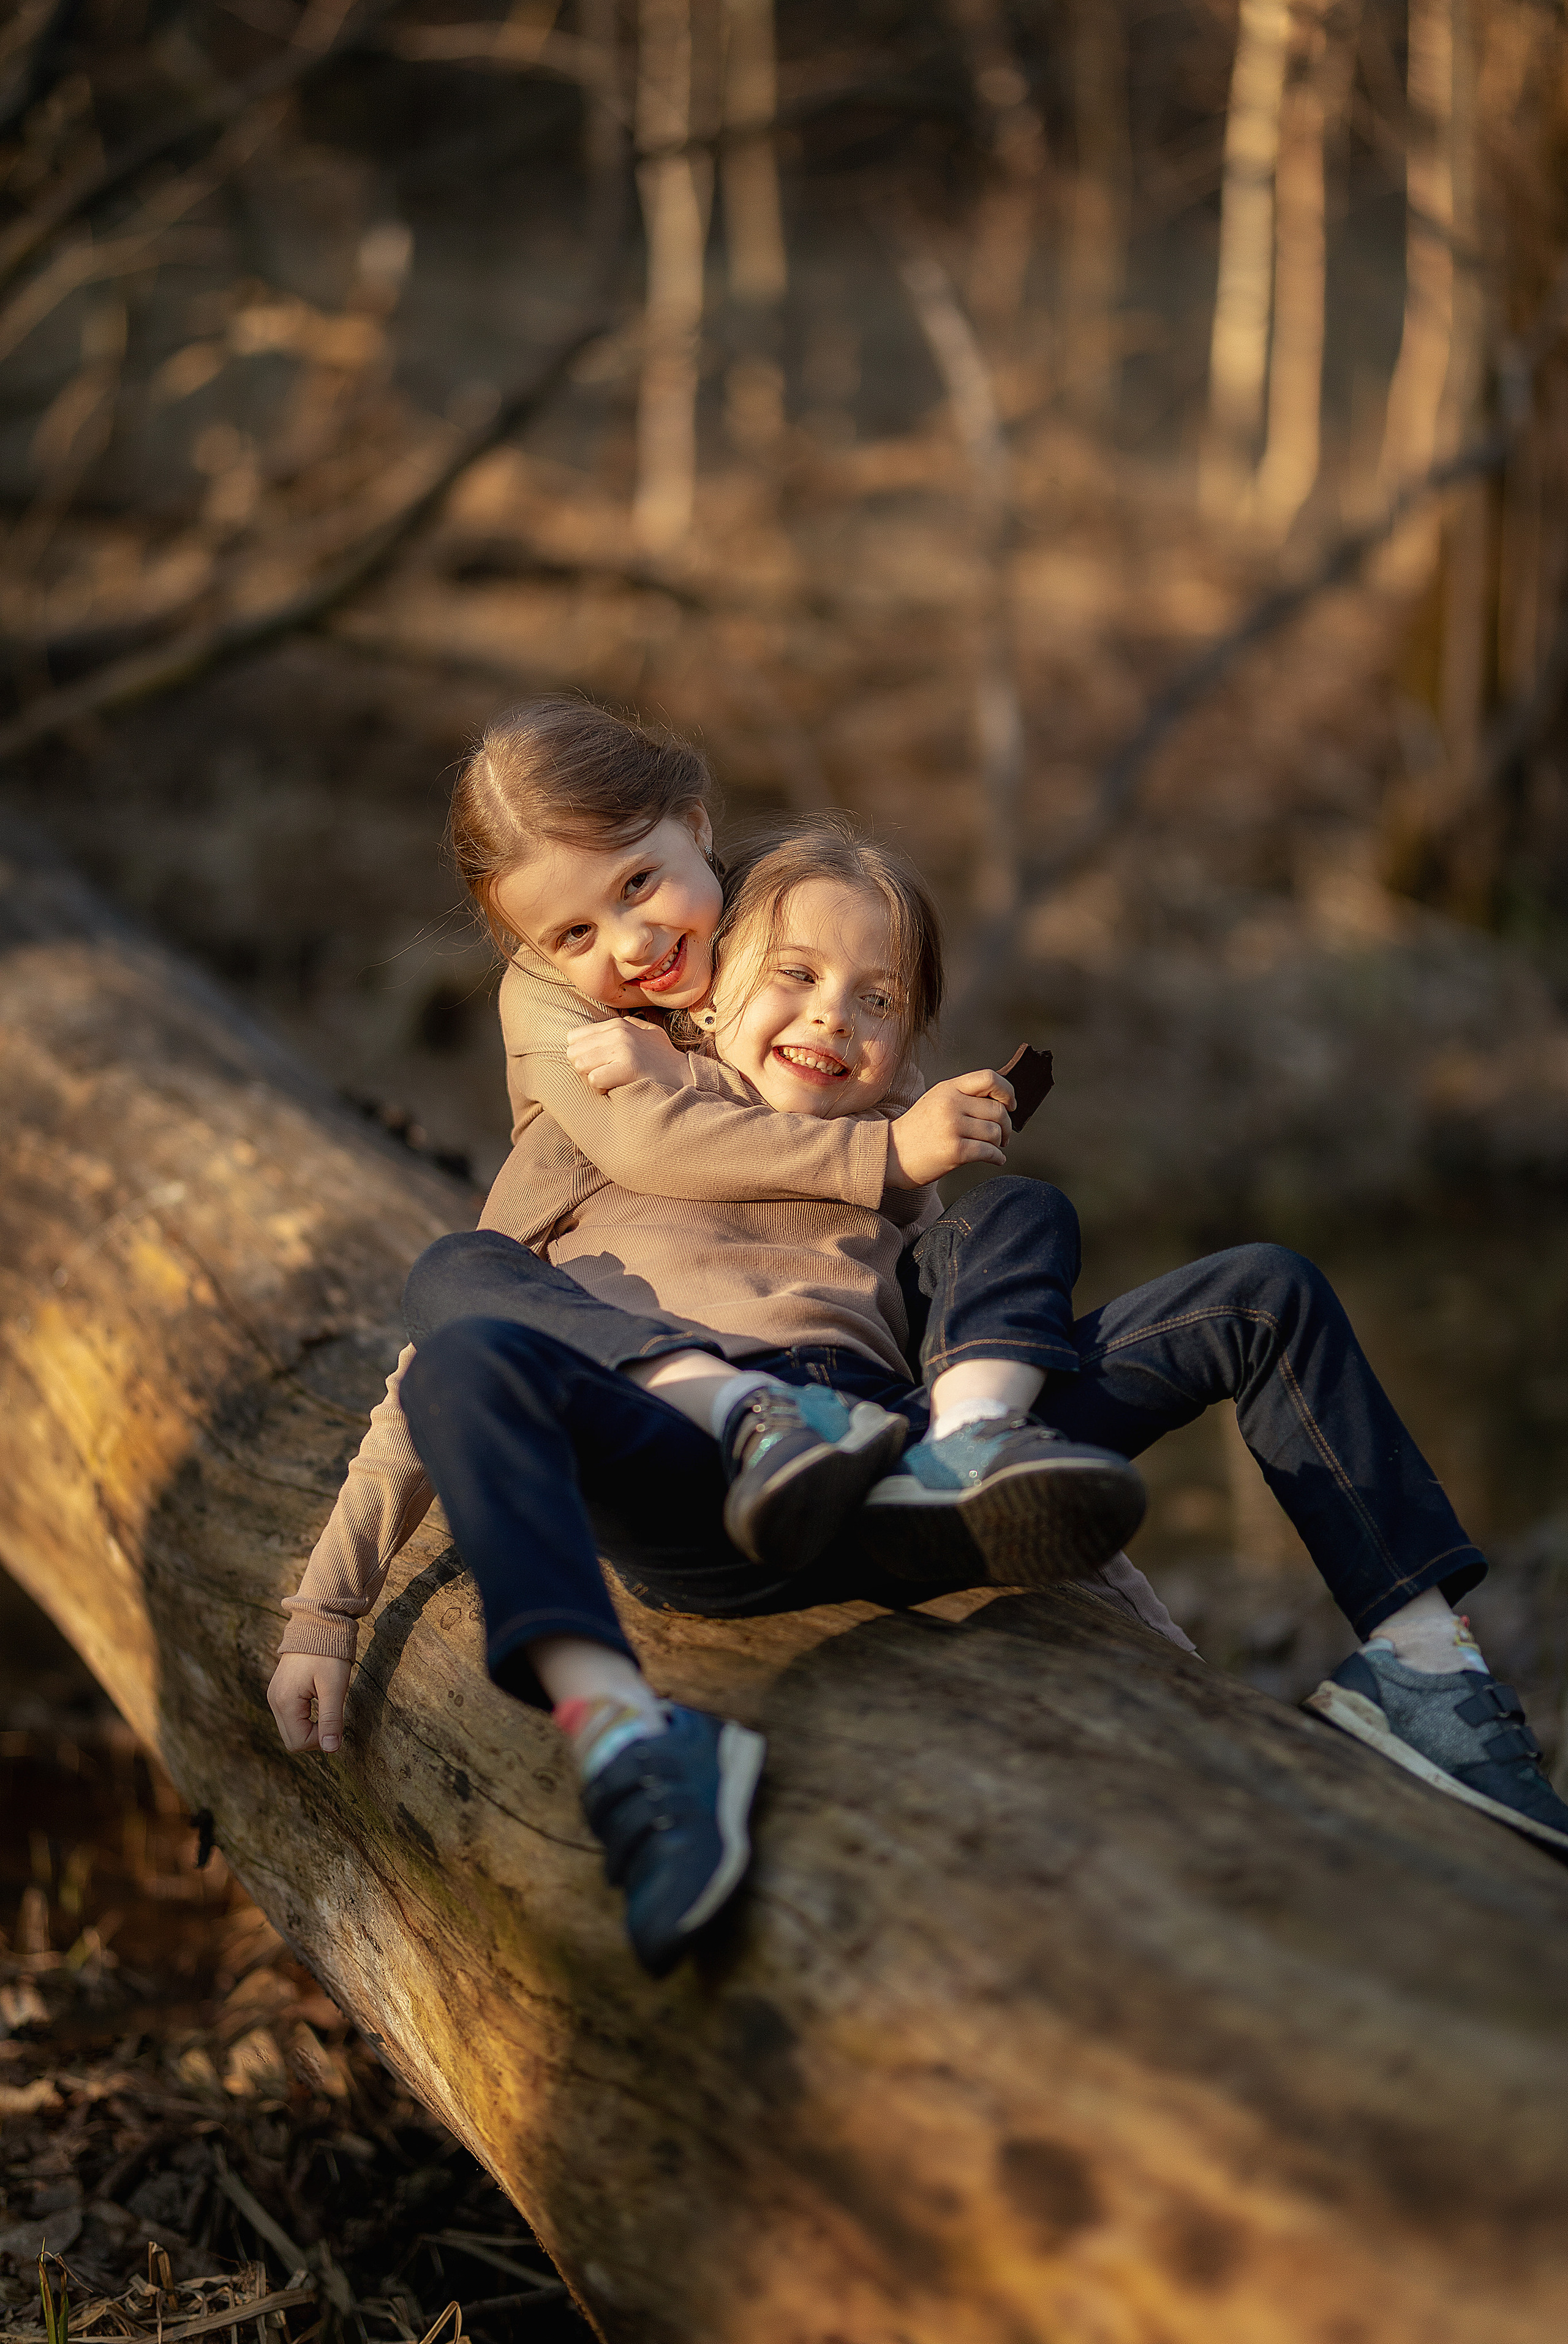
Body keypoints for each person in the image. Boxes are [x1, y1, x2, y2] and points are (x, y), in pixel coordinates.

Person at [270, 705, 1568, 1979]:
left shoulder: (885, 1158)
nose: (828, 1020)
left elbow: (1003, 1375)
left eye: (873, 1001)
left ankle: (1420, 1667)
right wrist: (324, 1616)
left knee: (1244, 1286)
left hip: (895, 1459)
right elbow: (430, 1379)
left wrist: (1149, 1642)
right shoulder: (597, 1110)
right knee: (457, 1298)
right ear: (704, 995)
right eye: (791, 978)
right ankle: (629, 1743)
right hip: (704, 1477)